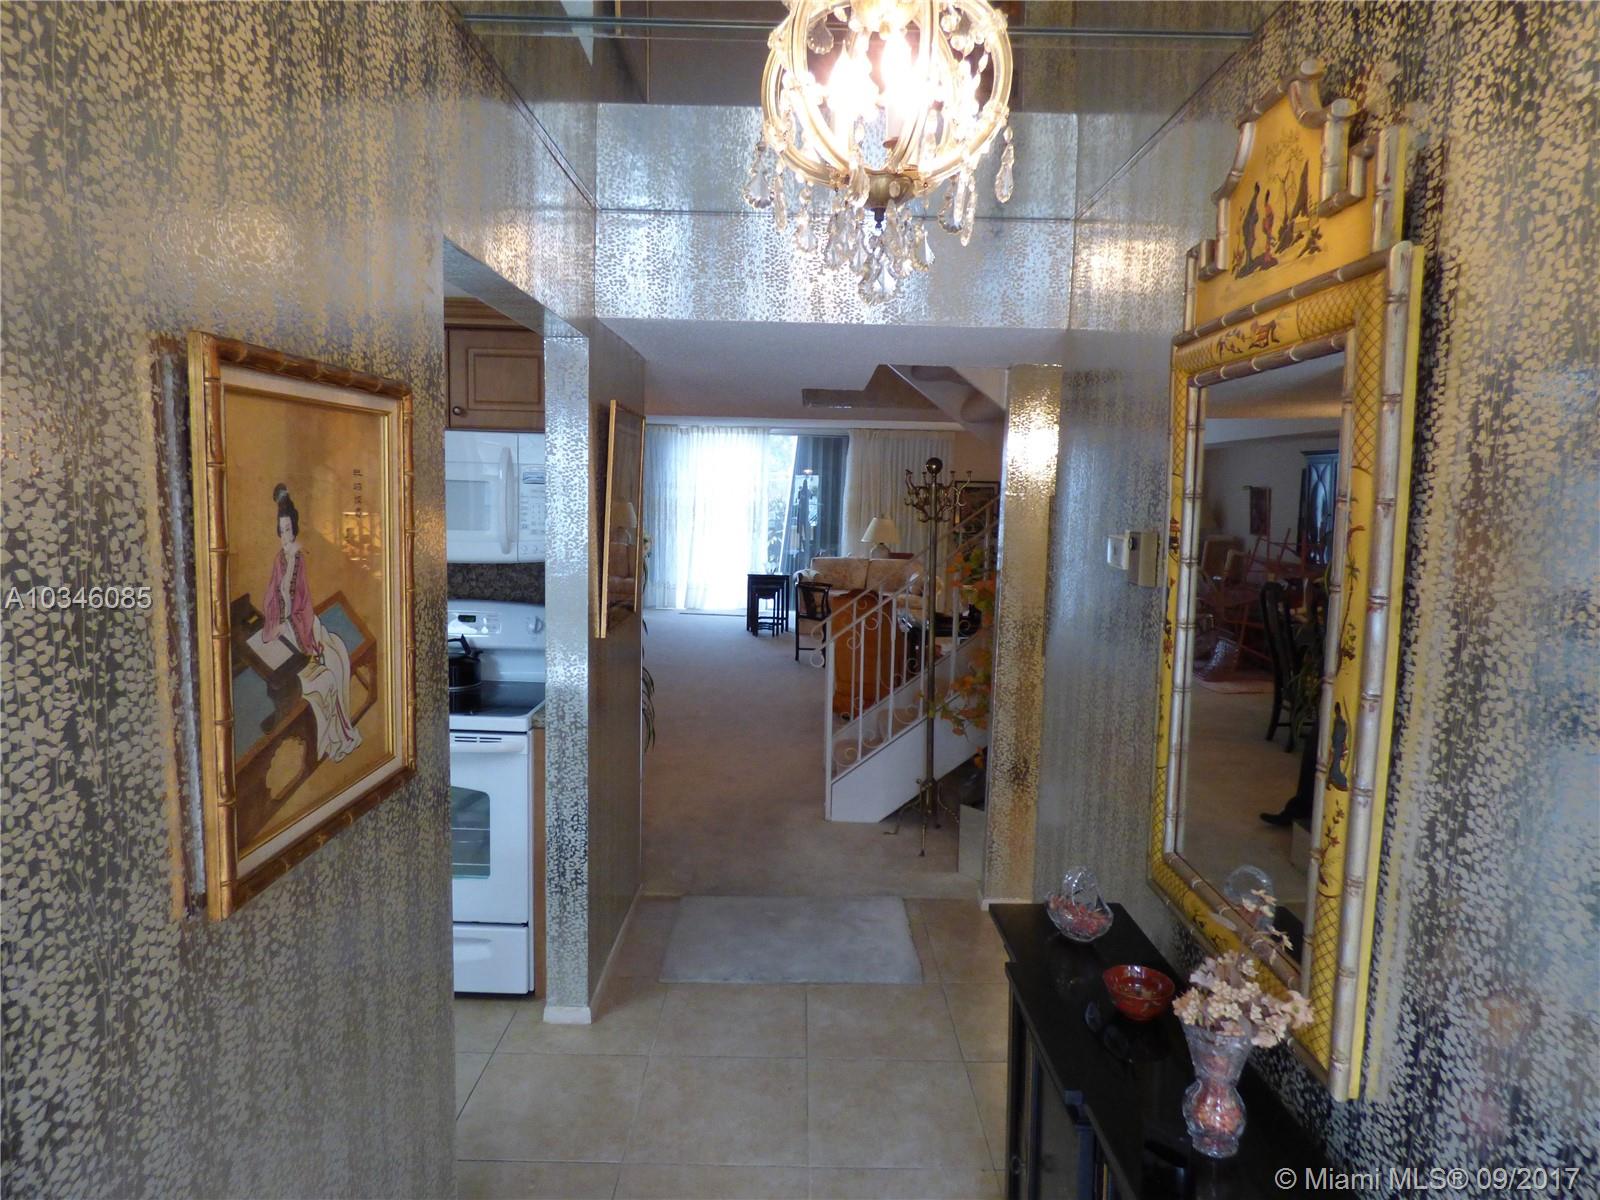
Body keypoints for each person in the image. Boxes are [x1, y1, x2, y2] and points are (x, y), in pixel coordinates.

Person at [263, 483, 362, 763]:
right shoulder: (279, 560)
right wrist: (274, 624)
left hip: (303, 623)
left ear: (294, 530)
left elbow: (304, 601)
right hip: (285, 625)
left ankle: (338, 734)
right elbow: (272, 596)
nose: (285, 535)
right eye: (282, 530)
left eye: (289, 529)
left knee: (333, 662)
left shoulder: (298, 559)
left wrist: (306, 635)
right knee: (308, 674)